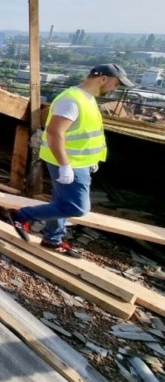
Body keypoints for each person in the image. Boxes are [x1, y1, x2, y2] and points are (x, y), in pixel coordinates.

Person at [8, 64, 133, 258]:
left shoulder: (87, 98)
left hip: (80, 162)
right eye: (115, 84)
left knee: (61, 202)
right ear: (103, 79)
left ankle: (53, 238)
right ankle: (21, 216)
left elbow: (85, 134)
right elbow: (54, 133)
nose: (115, 89)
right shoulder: (71, 100)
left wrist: (92, 159)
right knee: (77, 207)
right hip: (68, 163)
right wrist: (65, 166)